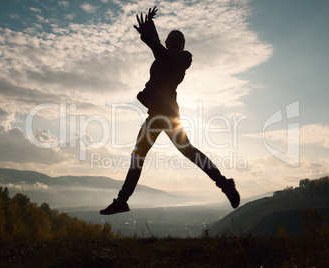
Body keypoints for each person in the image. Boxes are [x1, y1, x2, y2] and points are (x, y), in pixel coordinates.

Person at [100, 7, 240, 215]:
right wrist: (151, 26)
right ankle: (122, 200)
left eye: (179, 40)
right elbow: (159, 49)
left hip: (168, 115)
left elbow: (161, 51)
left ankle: (224, 184)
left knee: (187, 152)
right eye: (172, 39)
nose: (175, 42)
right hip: (155, 114)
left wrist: (150, 37)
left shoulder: (184, 59)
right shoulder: (161, 56)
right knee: (139, 155)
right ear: (167, 42)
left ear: (183, 46)